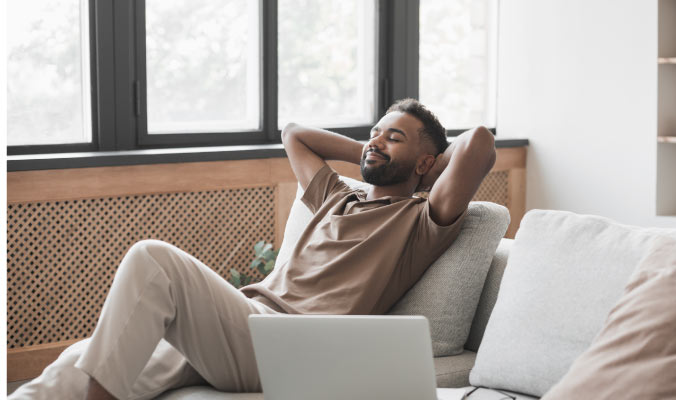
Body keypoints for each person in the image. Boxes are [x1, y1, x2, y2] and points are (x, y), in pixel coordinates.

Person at [9, 98, 495, 400]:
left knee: (152, 258)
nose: (376, 141)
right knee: (80, 361)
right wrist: (371, 152)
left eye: (394, 137)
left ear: (429, 161)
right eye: (374, 132)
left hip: (287, 345)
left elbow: (478, 143)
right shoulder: (336, 197)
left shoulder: (421, 218)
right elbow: (295, 134)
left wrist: (419, 169)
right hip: (242, 321)